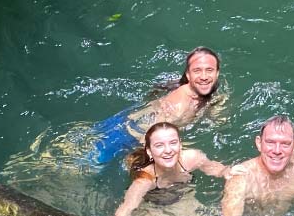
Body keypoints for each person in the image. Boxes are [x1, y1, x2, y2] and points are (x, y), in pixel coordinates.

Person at [90, 46, 223, 165]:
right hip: (126, 136)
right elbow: (149, 137)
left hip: (126, 120)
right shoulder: (180, 106)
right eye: (197, 71)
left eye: (209, 70)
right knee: (80, 167)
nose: (204, 76)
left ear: (217, 73)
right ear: (188, 75)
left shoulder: (207, 91)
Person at [111, 122, 228, 216]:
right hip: (154, 204)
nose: (168, 150)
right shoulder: (145, 181)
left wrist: (227, 171)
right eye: (159, 145)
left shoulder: (192, 158)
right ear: (150, 152)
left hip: (184, 195)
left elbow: (216, 169)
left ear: (180, 145)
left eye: (173, 143)